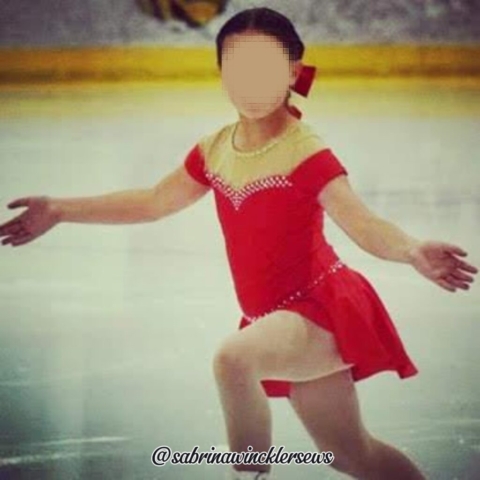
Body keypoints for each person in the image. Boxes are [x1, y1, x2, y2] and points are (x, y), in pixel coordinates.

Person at [0, 7, 477, 480]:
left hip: (322, 307)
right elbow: (152, 201)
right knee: (351, 455)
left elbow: (362, 222)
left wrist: (412, 249)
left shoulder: (305, 152)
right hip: (275, 315)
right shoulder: (215, 148)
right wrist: (60, 208)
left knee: (234, 359)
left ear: (293, 70)